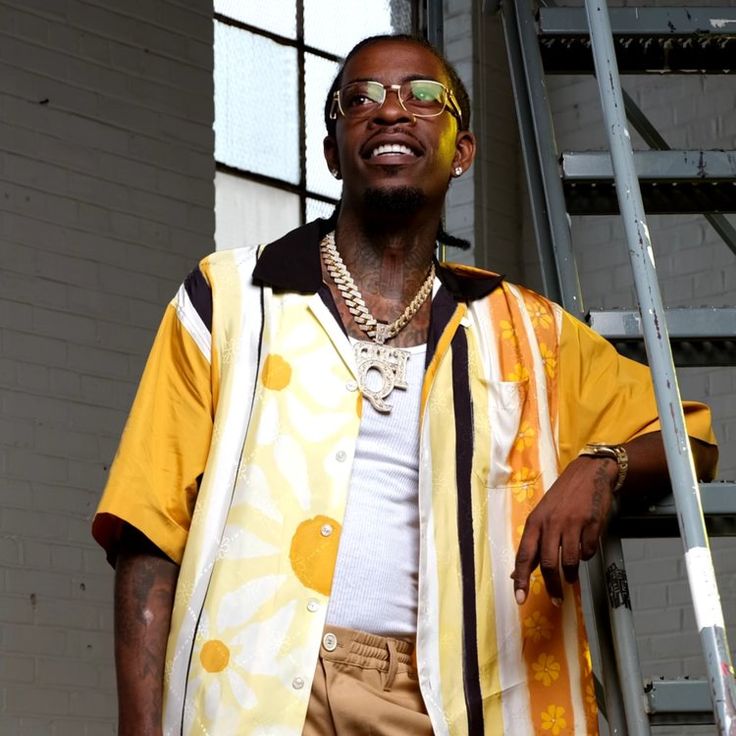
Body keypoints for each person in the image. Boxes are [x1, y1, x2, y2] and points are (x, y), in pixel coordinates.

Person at [93, 34, 717, 736]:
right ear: (333, 150)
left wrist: (604, 465)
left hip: (444, 698)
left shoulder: (525, 331)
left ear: (463, 150)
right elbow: (148, 538)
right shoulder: (226, 300)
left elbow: (687, 431)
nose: (391, 111)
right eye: (360, 98)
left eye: (424, 96)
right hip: (258, 692)